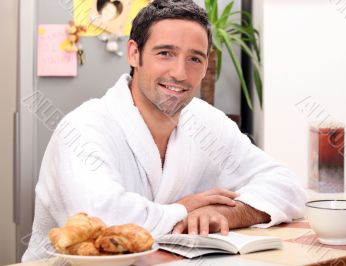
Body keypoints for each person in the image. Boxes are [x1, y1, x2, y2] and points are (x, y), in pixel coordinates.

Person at [22, 0, 306, 261]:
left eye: (195, 59)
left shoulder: (206, 121)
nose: (180, 73)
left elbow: (286, 186)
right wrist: (184, 209)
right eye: (165, 53)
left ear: (207, 65)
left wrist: (224, 213)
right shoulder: (84, 127)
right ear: (134, 53)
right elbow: (103, 219)